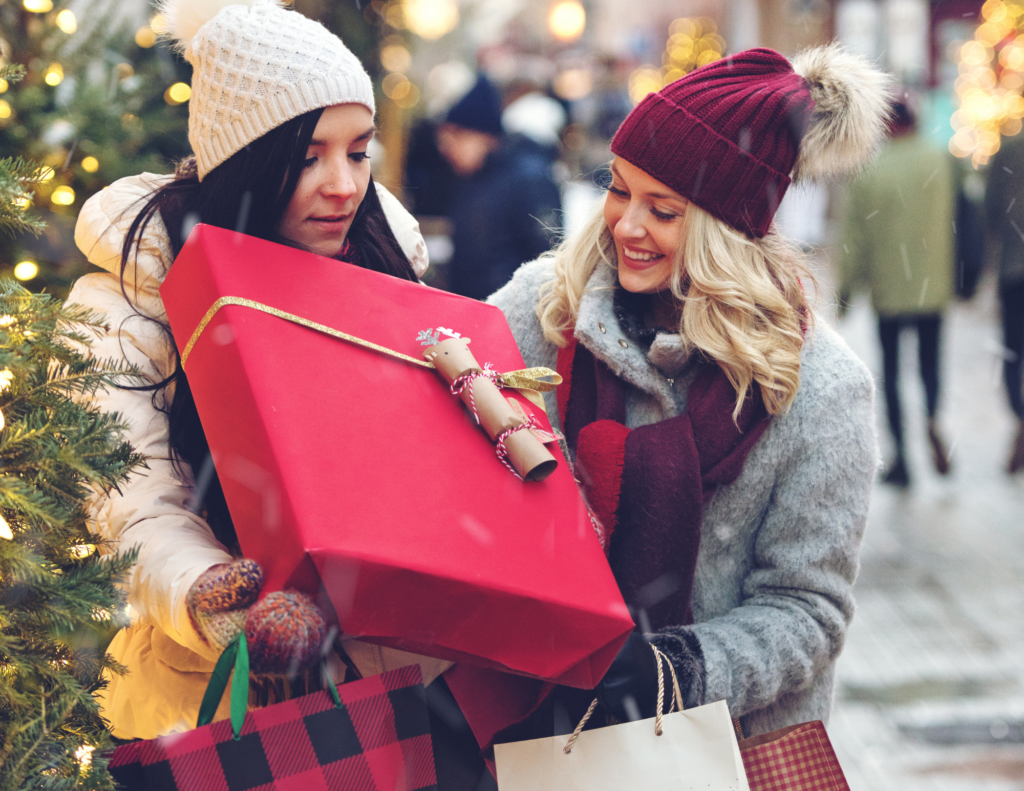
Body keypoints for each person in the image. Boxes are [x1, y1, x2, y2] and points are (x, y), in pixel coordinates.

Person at [67, 0, 448, 741]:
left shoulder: (385, 262)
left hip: (397, 694)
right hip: (211, 702)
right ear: (247, 162)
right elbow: (132, 499)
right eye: (308, 157)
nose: (343, 183)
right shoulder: (135, 293)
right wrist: (213, 595)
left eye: (359, 150)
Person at [485, 44, 886, 741]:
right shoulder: (540, 311)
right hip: (542, 732)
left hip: (728, 753)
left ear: (724, 230)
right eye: (618, 188)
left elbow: (806, 609)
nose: (626, 225)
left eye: (663, 209)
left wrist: (676, 671)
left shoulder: (823, 389)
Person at [838, 94, 955, 487]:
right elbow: (964, 215)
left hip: (889, 290)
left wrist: (845, 291)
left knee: (890, 373)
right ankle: (933, 418)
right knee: (929, 366)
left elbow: (854, 236)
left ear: (887, 126)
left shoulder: (870, 170)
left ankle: (902, 458)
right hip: (932, 286)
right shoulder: (938, 160)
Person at [436, 73, 563, 300]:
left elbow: (549, 257)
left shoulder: (529, 179)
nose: (448, 149)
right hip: (473, 312)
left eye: (456, 137)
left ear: (482, 134)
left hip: (511, 317)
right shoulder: (472, 179)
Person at [984, 131, 1024, 472]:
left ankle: (1021, 417)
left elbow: (991, 209)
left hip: (1014, 270)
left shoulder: (1008, 150)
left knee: (1013, 354)